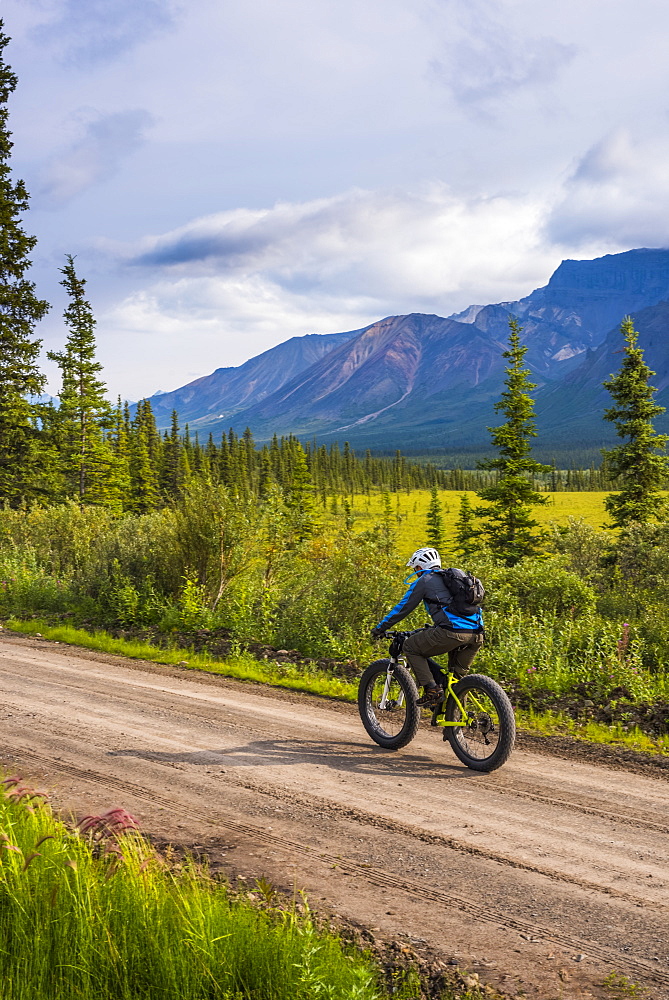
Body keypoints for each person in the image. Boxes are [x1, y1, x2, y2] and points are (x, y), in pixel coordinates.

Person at [371, 547, 484, 707]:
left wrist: (380, 628)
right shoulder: (452, 580)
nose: (415, 572)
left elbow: (402, 608)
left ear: (419, 567)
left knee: (410, 646)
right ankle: (455, 726)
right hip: (477, 634)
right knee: (455, 682)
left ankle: (431, 689)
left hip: (452, 633)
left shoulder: (424, 581)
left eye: (415, 569)